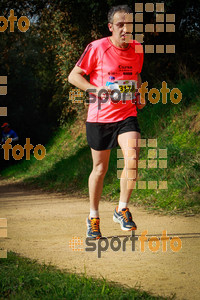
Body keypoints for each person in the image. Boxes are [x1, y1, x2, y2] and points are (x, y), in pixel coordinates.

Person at [68, 5, 146, 239]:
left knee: (132, 157)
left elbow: (136, 74)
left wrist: (140, 94)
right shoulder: (97, 47)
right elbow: (74, 76)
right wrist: (96, 89)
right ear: (111, 27)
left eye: (129, 25)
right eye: (120, 25)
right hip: (100, 118)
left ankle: (122, 209)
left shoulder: (138, 49)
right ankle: (93, 216)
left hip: (126, 115)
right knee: (100, 169)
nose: (125, 29)